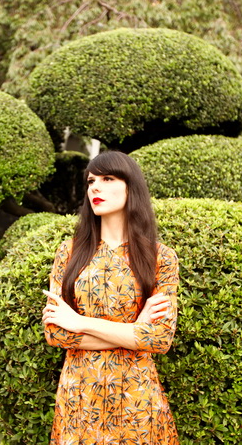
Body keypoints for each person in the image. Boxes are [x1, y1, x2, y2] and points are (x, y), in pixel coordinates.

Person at [42, 150, 180, 444]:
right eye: (91, 181)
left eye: (107, 179)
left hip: (136, 399)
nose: (95, 187)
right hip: (80, 396)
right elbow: (55, 332)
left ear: (131, 187)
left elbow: (159, 339)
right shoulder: (69, 253)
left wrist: (78, 322)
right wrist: (133, 332)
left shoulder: (160, 258)